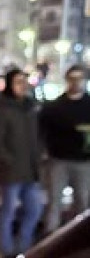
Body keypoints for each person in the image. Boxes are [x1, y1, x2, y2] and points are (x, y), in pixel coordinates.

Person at [0, 67, 45, 258]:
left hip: (31, 170)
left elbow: (38, 137)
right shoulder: (2, 110)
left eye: (24, 81)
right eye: (18, 82)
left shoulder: (31, 108)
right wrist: (9, 159)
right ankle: (7, 251)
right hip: (11, 171)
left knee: (34, 210)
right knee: (8, 211)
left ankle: (24, 248)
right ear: (10, 85)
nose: (22, 86)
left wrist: (40, 155)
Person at [39, 64, 90, 233]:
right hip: (58, 160)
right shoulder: (54, 107)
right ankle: (51, 238)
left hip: (83, 161)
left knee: (82, 202)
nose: (76, 82)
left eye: (80, 79)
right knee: (54, 202)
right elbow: (42, 131)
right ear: (67, 80)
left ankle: (79, 239)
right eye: (72, 79)